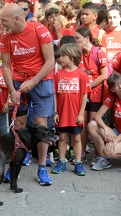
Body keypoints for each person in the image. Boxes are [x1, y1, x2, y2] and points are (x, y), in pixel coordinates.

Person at [0, 3, 55, 186]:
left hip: (41, 81)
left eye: (4, 20)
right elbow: (6, 66)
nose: (2, 24)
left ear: (17, 19)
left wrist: (34, 81)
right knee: (18, 124)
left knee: (41, 125)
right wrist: (11, 91)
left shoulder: (39, 30)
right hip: (18, 82)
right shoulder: (6, 37)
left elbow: (50, 61)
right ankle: (13, 164)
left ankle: (41, 168)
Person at [51, 43, 90, 176]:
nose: (60, 58)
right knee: (62, 137)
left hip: (75, 115)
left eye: (63, 55)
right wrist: (55, 112)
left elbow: (85, 95)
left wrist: (81, 114)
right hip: (62, 114)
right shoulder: (58, 75)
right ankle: (61, 162)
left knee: (77, 139)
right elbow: (55, 95)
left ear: (72, 57)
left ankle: (78, 163)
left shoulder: (81, 75)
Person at [75, 27, 109, 163]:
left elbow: (104, 75)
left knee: (94, 123)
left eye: (78, 38)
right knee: (82, 123)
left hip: (97, 93)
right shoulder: (79, 53)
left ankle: (99, 154)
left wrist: (88, 85)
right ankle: (82, 153)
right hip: (84, 93)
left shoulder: (98, 52)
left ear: (87, 38)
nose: (75, 41)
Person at [88, 72, 121, 171]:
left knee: (109, 151)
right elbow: (97, 116)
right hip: (118, 133)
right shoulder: (113, 98)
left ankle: (107, 153)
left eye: (120, 83)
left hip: (119, 136)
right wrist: (105, 127)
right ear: (112, 89)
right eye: (116, 85)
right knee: (91, 125)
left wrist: (115, 141)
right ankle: (103, 158)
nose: (120, 87)